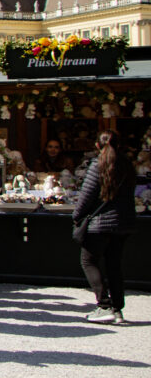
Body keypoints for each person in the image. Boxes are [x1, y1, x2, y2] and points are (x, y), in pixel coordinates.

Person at [73, 130, 136, 324]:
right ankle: (117, 310)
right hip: (123, 222)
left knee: (89, 261)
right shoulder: (127, 166)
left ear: (98, 146)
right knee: (114, 265)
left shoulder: (97, 165)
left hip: (99, 223)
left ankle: (104, 305)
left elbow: (87, 195)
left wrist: (77, 216)